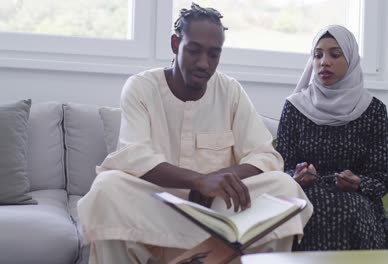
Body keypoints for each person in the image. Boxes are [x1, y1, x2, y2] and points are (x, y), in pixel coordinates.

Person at [77, 3, 312, 264]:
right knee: (107, 188)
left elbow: (265, 156)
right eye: (194, 51)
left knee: (284, 187)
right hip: (157, 207)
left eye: (214, 54)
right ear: (175, 44)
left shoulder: (230, 91)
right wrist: (197, 181)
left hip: (219, 211)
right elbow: (134, 156)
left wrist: (217, 180)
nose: (204, 63)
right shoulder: (141, 87)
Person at [275, 25, 388, 250]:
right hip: (304, 196)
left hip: (357, 200)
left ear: (351, 60)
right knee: (309, 209)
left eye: (335, 54)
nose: (324, 62)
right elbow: (280, 168)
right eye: (318, 55)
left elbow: (381, 177)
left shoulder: (373, 111)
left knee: (352, 210)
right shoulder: (295, 107)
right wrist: (296, 176)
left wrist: (358, 182)